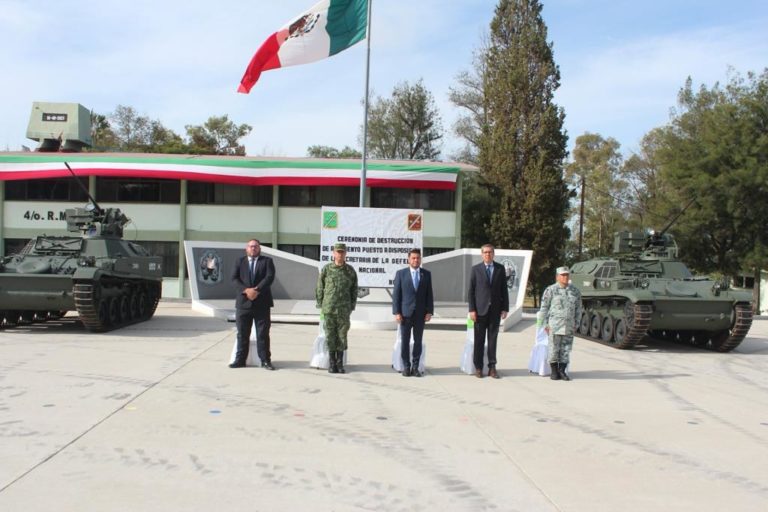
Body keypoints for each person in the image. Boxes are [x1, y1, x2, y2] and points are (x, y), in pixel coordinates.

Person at [230, 239, 276, 369]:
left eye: (256, 246)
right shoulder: (239, 262)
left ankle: (265, 360)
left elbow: (269, 277)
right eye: (251, 246)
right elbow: (234, 279)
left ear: (259, 249)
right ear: (246, 248)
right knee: (242, 333)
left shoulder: (267, 261)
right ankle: (240, 360)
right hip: (243, 303)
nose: (253, 248)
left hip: (262, 303)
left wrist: (257, 290)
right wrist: (246, 290)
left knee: (263, 334)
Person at [316, 242, 358, 374]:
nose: (340, 254)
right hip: (329, 308)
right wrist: (320, 303)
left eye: (342, 252)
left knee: (342, 336)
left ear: (345, 254)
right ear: (333, 253)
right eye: (338, 252)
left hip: (344, 310)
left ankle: (340, 364)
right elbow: (319, 287)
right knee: (330, 336)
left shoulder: (350, 271)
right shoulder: (327, 269)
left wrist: (351, 306)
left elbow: (354, 290)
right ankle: (332, 363)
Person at [468, 244, 509, 379]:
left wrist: (505, 308)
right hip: (479, 312)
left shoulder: (500, 269)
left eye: (490, 252)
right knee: (479, 341)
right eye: (485, 252)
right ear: (482, 254)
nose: (488, 254)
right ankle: (478, 367)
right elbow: (471, 292)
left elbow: (504, 290)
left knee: (493, 340)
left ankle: (492, 367)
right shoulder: (476, 269)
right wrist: (472, 310)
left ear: (493, 254)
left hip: (495, 311)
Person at [392, 248, 434, 377]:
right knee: (404, 341)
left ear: (420, 259)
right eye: (413, 258)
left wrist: (429, 311)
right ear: (408, 259)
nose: (416, 260)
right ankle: (406, 366)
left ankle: (415, 366)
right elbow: (396, 295)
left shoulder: (426, 274)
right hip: (405, 314)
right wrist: (397, 312)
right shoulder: (401, 274)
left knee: (418, 341)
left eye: (418, 258)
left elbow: (429, 294)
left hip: (420, 314)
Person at [539, 266, 582, 381]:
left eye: (567, 275)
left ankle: (562, 371)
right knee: (554, 349)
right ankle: (554, 371)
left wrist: (576, 324)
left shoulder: (575, 291)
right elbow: (544, 308)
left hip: (569, 326)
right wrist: (544, 325)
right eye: (563, 275)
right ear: (557, 277)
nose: (565, 277)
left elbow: (579, 309)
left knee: (566, 349)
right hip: (555, 325)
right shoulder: (551, 290)